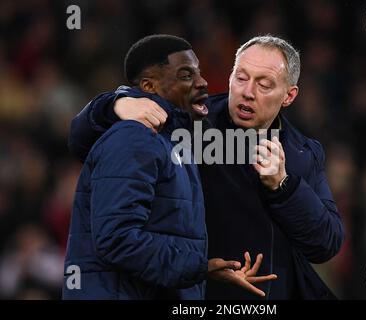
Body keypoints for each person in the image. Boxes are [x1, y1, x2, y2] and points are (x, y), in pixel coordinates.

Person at [69, 35, 344, 299]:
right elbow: (82, 142)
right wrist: (115, 105)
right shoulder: (193, 121)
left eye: (264, 84)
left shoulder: (302, 152)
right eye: (241, 77)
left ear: (289, 95)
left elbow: (326, 243)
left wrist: (284, 187)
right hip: (193, 290)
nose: (247, 92)